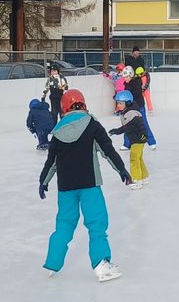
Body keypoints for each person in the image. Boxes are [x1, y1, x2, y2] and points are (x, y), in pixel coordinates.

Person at [39, 89, 132, 282]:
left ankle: (53, 263)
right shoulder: (92, 125)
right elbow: (108, 151)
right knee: (97, 224)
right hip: (90, 185)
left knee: (64, 225)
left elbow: (51, 162)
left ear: (64, 109)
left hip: (66, 188)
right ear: (83, 104)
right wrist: (122, 170)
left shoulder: (57, 133)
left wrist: (43, 181)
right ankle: (101, 264)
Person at [107, 90, 149, 189]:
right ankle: (144, 177)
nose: (118, 105)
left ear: (128, 103)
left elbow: (129, 127)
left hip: (138, 138)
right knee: (139, 158)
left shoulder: (132, 113)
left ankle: (136, 180)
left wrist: (117, 131)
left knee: (134, 159)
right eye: (117, 103)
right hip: (137, 138)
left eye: (121, 103)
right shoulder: (127, 111)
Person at [121, 66, 157, 150]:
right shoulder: (126, 84)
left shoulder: (136, 83)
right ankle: (127, 144)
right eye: (124, 77)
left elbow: (136, 95)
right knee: (127, 124)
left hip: (139, 107)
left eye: (126, 77)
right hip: (130, 108)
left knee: (144, 124)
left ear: (131, 75)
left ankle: (152, 142)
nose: (125, 78)